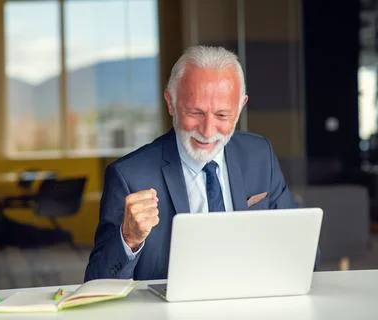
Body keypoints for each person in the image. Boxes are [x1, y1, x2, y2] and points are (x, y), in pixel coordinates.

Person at [85, 45, 301, 281]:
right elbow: (98, 282)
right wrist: (129, 238)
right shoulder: (128, 176)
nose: (208, 132)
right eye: (195, 113)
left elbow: (298, 247)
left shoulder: (259, 154)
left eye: (222, 115)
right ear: (170, 103)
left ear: (240, 108)